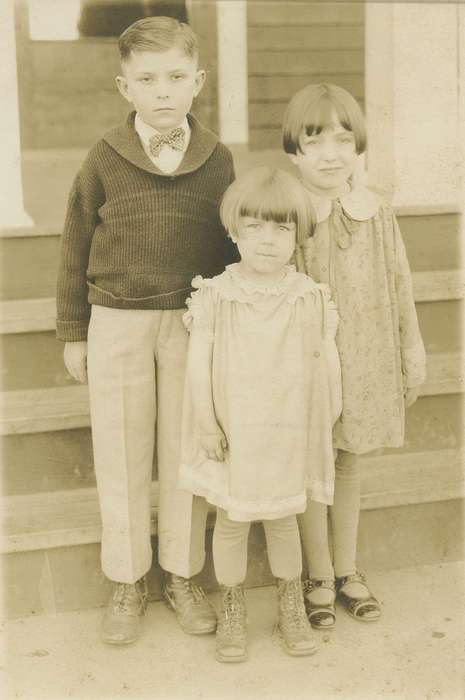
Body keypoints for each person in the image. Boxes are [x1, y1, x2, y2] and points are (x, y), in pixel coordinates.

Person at [56, 16, 238, 645]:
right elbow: (75, 242)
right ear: (124, 87)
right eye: (147, 79)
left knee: (187, 450)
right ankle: (127, 578)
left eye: (176, 77)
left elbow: (231, 249)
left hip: (193, 324)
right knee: (122, 451)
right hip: (118, 320)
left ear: (198, 83)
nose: (163, 91)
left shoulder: (218, 160)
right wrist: (73, 331)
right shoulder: (105, 156)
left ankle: (182, 574)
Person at [178, 166, 342, 662]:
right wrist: (206, 421)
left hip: (287, 431)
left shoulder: (308, 297)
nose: (268, 241)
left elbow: (326, 367)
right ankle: (232, 606)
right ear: (233, 232)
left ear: (297, 235)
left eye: (282, 228)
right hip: (234, 430)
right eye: (255, 228)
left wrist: (323, 422)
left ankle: (290, 604)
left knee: (283, 520)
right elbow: (198, 361)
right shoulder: (216, 295)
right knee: (231, 519)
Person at [282, 83, 426, 629]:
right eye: (314, 140)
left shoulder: (375, 213)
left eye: (344, 139)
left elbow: (400, 283)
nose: (331, 153)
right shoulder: (287, 211)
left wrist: (411, 348)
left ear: (359, 146)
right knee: (311, 466)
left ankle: (346, 569)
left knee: (350, 460)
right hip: (307, 365)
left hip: (364, 359)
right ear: (294, 149)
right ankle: (315, 573)